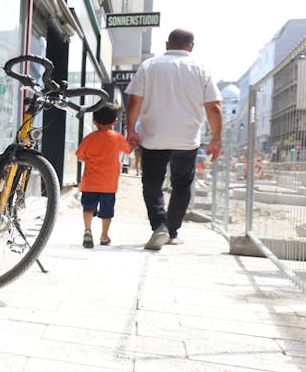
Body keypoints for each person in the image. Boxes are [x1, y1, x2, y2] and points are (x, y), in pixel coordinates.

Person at [124, 28, 223, 250]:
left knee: (152, 182)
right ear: (191, 47)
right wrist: (216, 139)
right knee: (181, 184)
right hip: (186, 139)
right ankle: (172, 230)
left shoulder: (149, 66)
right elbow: (214, 107)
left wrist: (131, 130)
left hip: (153, 137)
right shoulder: (201, 69)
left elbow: (134, 101)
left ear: (167, 45)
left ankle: (159, 226)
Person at [74, 103, 131, 248]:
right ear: (114, 122)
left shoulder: (89, 138)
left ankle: (87, 230)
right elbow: (127, 150)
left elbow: (79, 156)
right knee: (107, 212)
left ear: (94, 120)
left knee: (88, 208)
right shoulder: (116, 137)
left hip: (90, 182)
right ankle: (104, 237)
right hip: (109, 184)